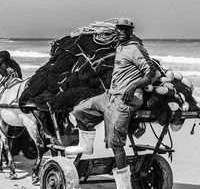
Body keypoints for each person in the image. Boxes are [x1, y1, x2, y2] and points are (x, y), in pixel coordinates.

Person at [65, 18, 156, 188]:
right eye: (119, 28)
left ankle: (124, 184)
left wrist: (133, 86)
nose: (121, 31)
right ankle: (86, 146)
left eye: (125, 29)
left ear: (131, 31)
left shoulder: (136, 48)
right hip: (110, 96)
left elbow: (152, 73)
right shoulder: (119, 45)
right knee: (79, 110)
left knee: (115, 141)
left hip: (127, 98)